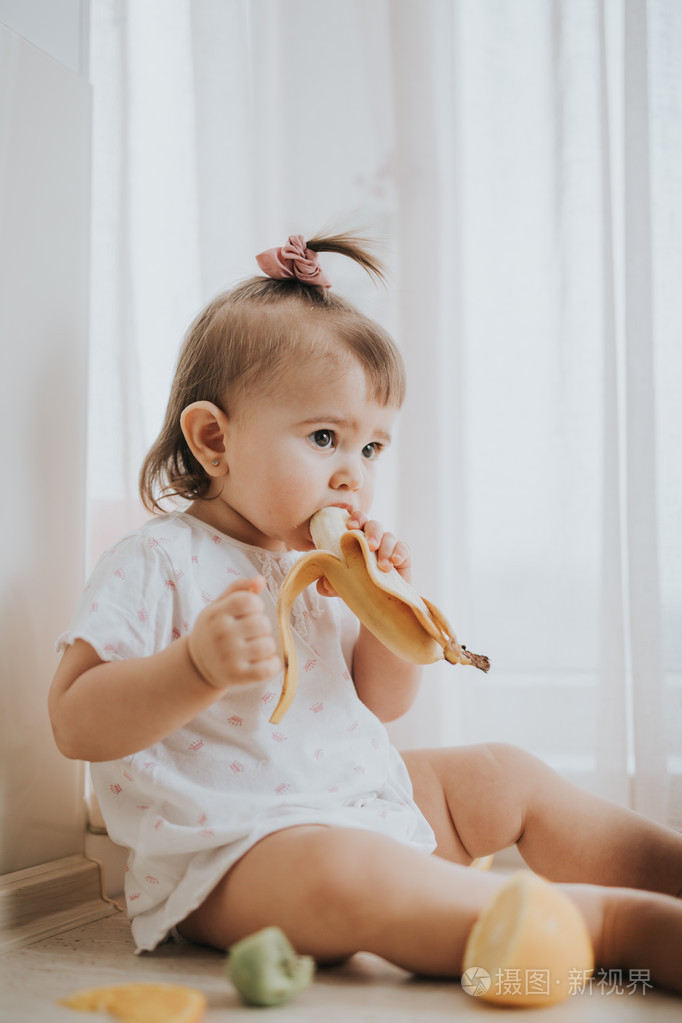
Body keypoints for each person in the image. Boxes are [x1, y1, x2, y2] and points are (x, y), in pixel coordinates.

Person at [49, 232, 682, 993]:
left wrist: (386, 610)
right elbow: (73, 720)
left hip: (361, 803)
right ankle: (610, 927)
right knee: (346, 867)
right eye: (325, 438)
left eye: (373, 448)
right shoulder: (154, 561)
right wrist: (193, 668)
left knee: (500, 773)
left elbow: (376, 705)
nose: (353, 476)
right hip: (237, 854)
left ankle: (666, 868)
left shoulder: (303, 568)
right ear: (215, 439)